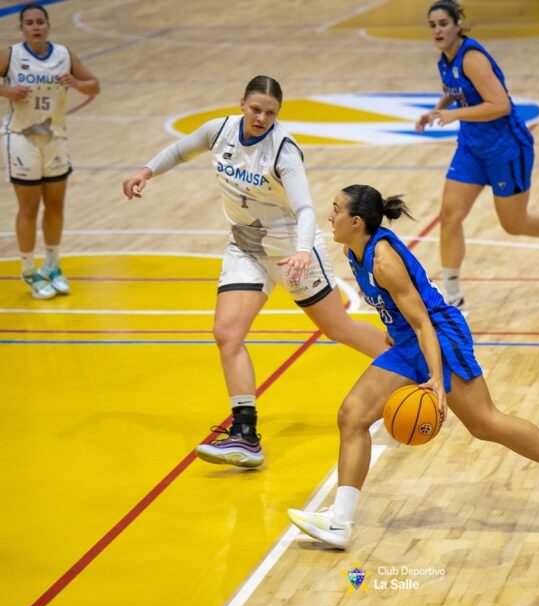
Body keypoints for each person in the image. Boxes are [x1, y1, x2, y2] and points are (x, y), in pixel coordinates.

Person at [287, 184, 539, 549]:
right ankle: (340, 522)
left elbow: (423, 321)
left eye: (336, 209)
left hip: (439, 337)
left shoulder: (383, 261)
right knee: (352, 415)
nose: (330, 216)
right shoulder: (352, 251)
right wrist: (393, 329)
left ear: (356, 221)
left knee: (485, 422)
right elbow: (398, 311)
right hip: (408, 341)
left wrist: (436, 380)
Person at [122, 76, 389, 469]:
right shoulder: (219, 131)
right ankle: (245, 434)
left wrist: (303, 250)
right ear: (242, 104)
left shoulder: (283, 151)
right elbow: (180, 151)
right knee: (227, 334)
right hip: (246, 246)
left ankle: (413, 362)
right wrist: (146, 171)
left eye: (270, 112)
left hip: (290, 250)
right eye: (256, 109)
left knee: (338, 329)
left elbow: (305, 209)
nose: (262, 118)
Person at [415, 0, 539, 308]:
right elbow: (455, 91)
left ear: (457, 25)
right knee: (450, 217)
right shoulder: (444, 59)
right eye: (432, 26)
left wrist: (454, 116)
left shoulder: (472, 58)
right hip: (471, 148)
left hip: (505, 148)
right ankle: (452, 297)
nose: (437, 30)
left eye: (443, 24)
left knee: (514, 223)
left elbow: (500, 105)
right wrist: (436, 110)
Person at [0, 3, 100, 299]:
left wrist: (77, 83)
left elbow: (94, 86)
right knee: (29, 207)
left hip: (55, 137)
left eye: (40, 22)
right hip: (22, 137)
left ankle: (52, 265)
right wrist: (6, 91)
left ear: (48, 26)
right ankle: (28, 269)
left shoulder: (63, 55)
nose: (36, 27)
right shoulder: (10, 55)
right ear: (22, 28)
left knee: (56, 205)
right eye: (29, 23)